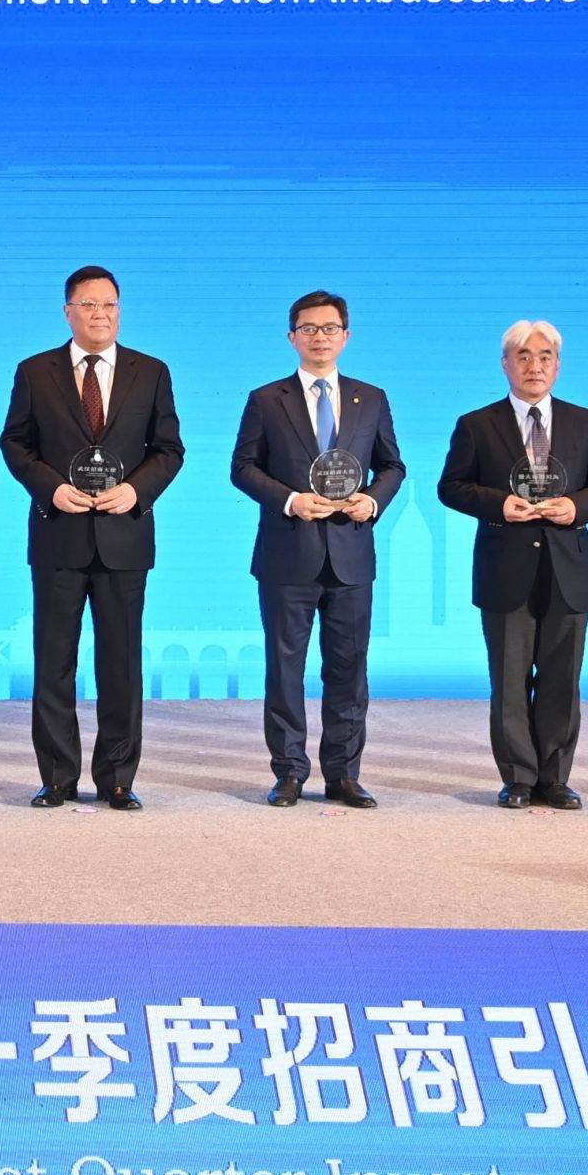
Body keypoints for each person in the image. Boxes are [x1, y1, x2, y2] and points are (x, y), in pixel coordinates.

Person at [0, 265, 184, 810]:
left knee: (120, 665)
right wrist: (51, 489)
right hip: (59, 535)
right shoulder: (36, 371)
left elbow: (169, 449)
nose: (100, 313)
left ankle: (118, 779)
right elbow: (15, 444)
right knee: (53, 661)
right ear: (68, 311)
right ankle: (57, 777)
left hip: (124, 536)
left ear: (119, 311)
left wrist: (136, 491)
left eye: (109, 304)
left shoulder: (151, 371)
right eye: (88, 304)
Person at [436, 320, 588, 810]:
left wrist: (576, 507)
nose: (534, 366)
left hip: (569, 567)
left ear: (557, 365)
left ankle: (555, 778)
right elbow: (451, 487)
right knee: (510, 678)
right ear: (505, 364)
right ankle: (518, 777)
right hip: (505, 566)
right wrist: (499, 504)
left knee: (563, 678)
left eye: (544, 357)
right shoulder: (477, 424)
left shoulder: (586, 421)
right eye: (523, 356)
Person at [227, 290, 404, 810]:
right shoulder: (266, 399)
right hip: (287, 554)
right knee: (285, 670)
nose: (319, 337)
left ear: (346, 336)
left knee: (349, 668)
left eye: (329, 329)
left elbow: (393, 466)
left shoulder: (371, 398)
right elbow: (242, 468)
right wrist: (290, 500)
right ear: (292, 337)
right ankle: (288, 772)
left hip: (351, 555)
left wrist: (372, 500)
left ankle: (344, 774)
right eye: (309, 328)